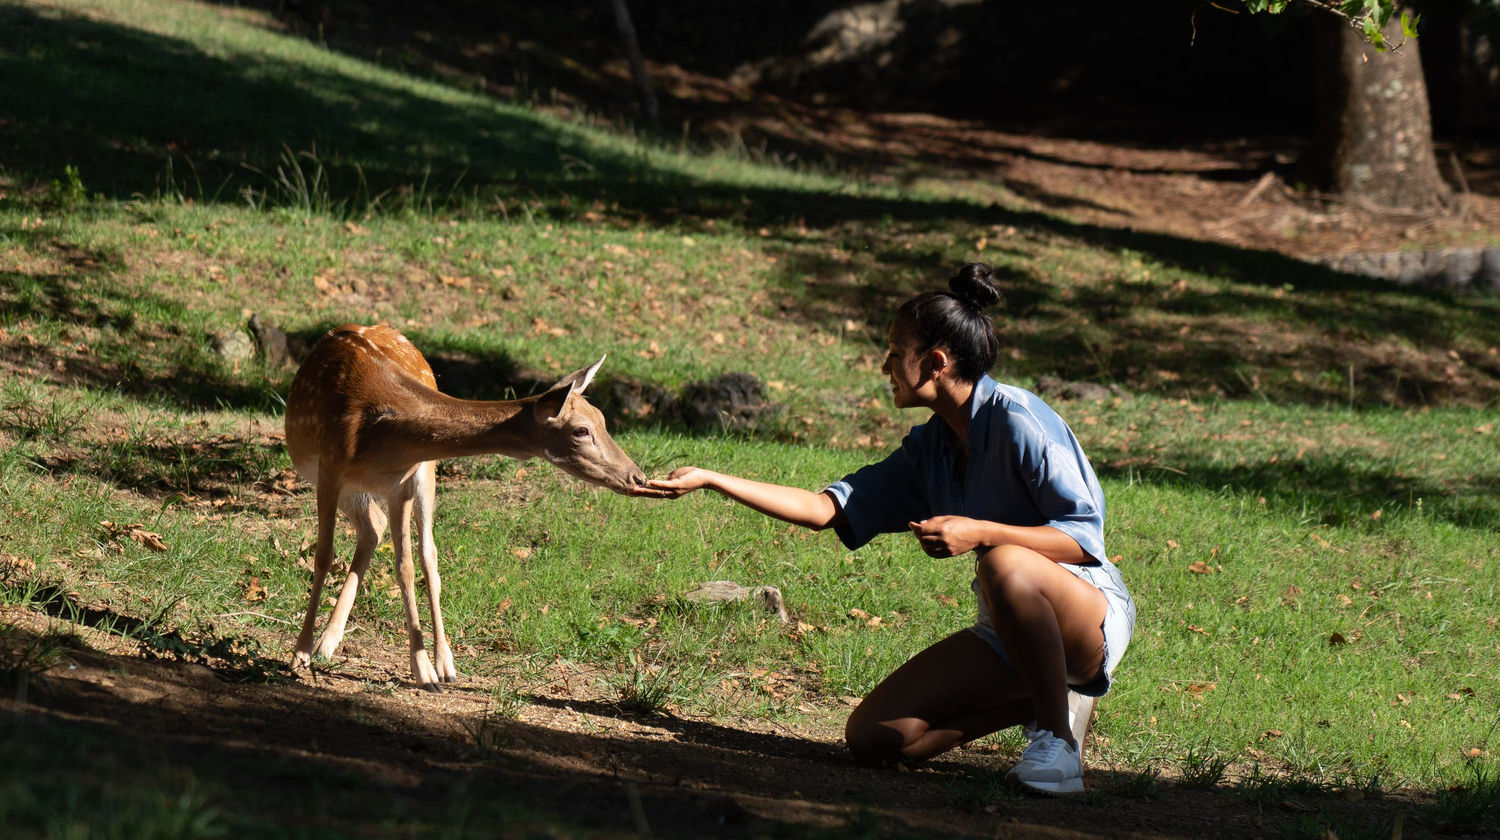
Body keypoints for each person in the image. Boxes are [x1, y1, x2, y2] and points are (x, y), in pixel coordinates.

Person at [634, 263, 1135, 795]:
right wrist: (712, 479)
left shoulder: (1020, 420)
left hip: (1086, 614)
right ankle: (1043, 699)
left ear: (936, 363)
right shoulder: (930, 448)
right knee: (875, 739)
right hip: (1009, 623)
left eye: (896, 353)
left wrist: (980, 530)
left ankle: (1057, 745)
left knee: (1002, 560)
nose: (885, 365)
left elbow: (1083, 542)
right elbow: (825, 508)